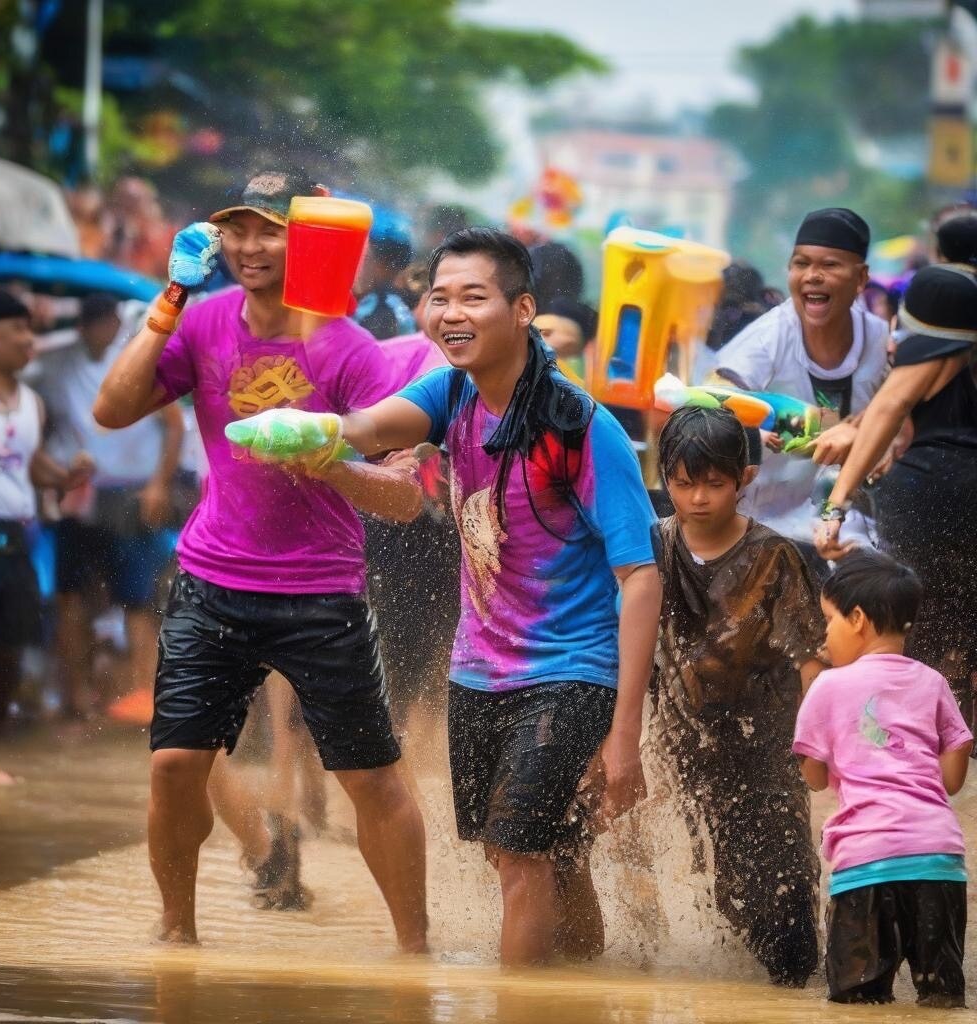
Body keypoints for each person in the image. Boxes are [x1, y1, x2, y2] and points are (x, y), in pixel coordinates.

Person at [228, 227, 663, 967]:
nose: (449, 312)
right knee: (538, 855)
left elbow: (642, 577)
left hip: (572, 671)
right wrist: (313, 429)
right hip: (478, 672)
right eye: (439, 297)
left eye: (473, 297)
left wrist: (625, 734)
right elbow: (372, 427)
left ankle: (517, 1008)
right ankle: (580, 996)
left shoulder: (582, 428)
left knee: (520, 854)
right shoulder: (452, 392)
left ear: (522, 309)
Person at [93, 171, 428, 949]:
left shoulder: (348, 349)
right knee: (175, 764)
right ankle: (177, 937)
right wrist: (167, 301)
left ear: (305, 239)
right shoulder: (204, 322)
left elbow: (406, 499)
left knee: (371, 779)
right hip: (212, 580)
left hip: (322, 594)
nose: (249, 245)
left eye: (270, 230)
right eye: (237, 229)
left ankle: (417, 952)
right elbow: (111, 411)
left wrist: (330, 459)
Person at [650, 405, 826, 986]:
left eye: (715, 483)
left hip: (768, 747)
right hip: (688, 744)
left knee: (785, 882)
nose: (700, 497)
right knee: (727, 883)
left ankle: (796, 987)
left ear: (744, 479)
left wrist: (820, 745)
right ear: (664, 476)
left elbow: (811, 659)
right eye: (684, 482)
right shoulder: (652, 547)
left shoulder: (775, 557)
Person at [794, 552, 971, 1007]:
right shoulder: (933, 681)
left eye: (829, 620)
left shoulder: (826, 687)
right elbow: (953, 773)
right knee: (942, 1000)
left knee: (859, 1002)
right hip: (939, 862)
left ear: (857, 619)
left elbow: (813, 777)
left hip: (866, 865)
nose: (824, 633)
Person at [815, 264, 977, 724]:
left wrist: (835, 507)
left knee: (914, 634)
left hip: (928, 491)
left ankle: (909, 756)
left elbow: (892, 404)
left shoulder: (927, 348)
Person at [0, 289, 91, 784]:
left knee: (5, 647)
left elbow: (27, 463)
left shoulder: (30, 402)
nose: (29, 341)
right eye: (17, 330)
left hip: (13, 537)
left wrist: (65, 478)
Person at [31, 293, 183, 720]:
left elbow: (173, 425)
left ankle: (143, 696)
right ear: (84, 326)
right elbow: (36, 421)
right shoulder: (57, 364)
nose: (103, 330)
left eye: (108, 322)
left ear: (117, 323)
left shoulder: (135, 359)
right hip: (79, 492)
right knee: (70, 596)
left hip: (130, 492)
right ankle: (79, 697)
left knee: (136, 598)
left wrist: (158, 483)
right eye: (95, 323)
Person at [712, 208, 889, 567]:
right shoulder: (769, 337)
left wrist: (868, 431)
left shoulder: (880, 338)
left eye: (830, 265)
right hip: (762, 524)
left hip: (848, 521)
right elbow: (711, 396)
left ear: (861, 278)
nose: (812, 277)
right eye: (801, 264)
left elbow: (900, 413)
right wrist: (749, 430)